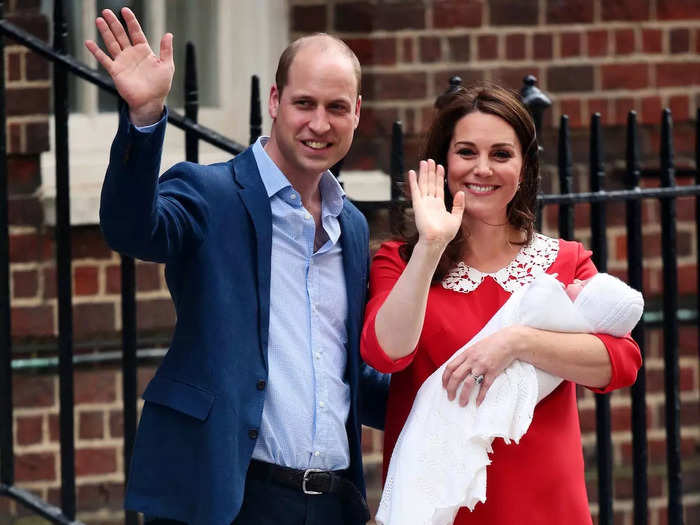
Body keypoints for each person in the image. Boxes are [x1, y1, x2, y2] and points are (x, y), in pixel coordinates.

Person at [85, 7, 389, 525]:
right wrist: (143, 120)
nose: (320, 123)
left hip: (331, 503)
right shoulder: (210, 193)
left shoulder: (352, 227)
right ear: (275, 101)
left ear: (357, 111)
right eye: (304, 103)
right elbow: (131, 230)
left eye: (337, 107)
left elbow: (347, 372)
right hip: (228, 499)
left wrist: (454, 383)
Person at [360, 83, 642, 524]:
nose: (483, 169)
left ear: (524, 167)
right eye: (467, 152)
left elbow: (622, 362)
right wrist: (431, 245)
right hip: (443, 508)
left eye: (502, 154)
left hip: (547, 504)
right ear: (442, 163)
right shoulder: (400, 260)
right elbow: (386, 353)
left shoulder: (564, 261)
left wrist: (516, 342)